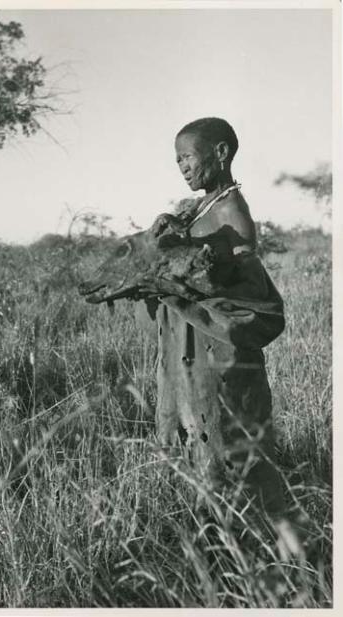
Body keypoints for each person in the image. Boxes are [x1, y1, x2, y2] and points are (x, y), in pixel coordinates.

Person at [136, 117, 287, 519]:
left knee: (230, 446)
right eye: (177, 160)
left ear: (220, 153)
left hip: (219, 358)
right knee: (202, 447)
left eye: (187, 157)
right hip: (194, 351)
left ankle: (239, 543)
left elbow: (246, 291)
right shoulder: (205, 208)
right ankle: (212, 531)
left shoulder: (233, 213)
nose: (182, 166)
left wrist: (189, 272)